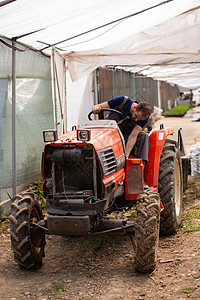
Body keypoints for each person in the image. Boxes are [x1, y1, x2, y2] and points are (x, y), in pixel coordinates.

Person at [92, 95, 152, 162]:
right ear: (135, 107)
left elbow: (133, 136)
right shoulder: (122, 101)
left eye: (139, 119)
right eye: (136, 116)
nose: (136, 120)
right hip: (110, 133)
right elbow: (98, 106)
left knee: (144, 136)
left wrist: (126, 156)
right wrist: (96, 108)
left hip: (126, 136)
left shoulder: (145, 119)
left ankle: (141, 165)